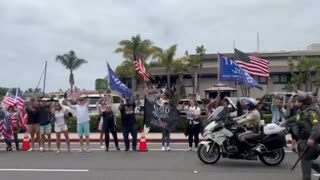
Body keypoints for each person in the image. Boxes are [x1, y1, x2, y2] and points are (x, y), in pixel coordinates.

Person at [284, 93, 320, 180]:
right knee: (306, 161)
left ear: (302, 102)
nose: (295, 102)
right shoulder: (302, 112)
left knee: (305, 163)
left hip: (308, 141)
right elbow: (295, 118)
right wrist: (285, 122)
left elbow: (317, 125)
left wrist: (312, 138)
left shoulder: (312, 112)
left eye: (297, 101)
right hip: (302, 141)